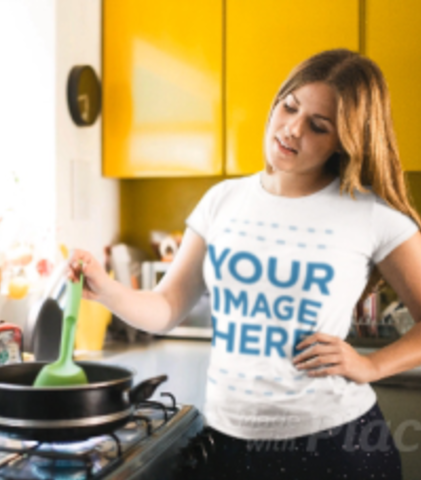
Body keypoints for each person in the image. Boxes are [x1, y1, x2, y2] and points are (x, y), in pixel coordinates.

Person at [67, 49, 421, 479]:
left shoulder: (370, 214)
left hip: (333, 447)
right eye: (289, 106)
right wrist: (105, 288)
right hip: (230, 443)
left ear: (344, 140)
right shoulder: (224, 200)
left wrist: (371, 365)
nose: (291, 129)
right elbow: (166, 308)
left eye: (318, 126)